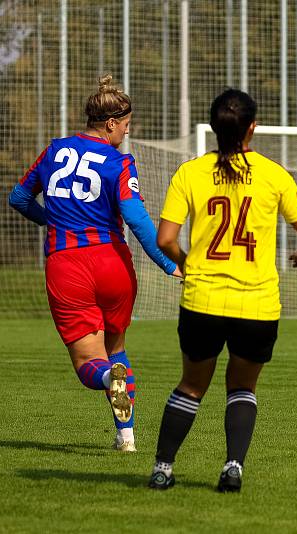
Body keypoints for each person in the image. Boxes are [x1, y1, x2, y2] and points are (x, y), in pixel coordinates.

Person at [148, 88, 297, 492]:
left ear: (214, 128)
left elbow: (165, 239)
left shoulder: (189, 173)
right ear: (252, 128)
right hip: (257, 304)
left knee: (191, 386)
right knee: (242, 386)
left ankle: (162, 469)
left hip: (202, 299)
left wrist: (190, 262)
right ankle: (232, 469)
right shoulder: (273, 174)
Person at [7, 74, 180, 453]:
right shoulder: (119, 163)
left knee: (93, 366)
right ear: (112, 124)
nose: (127, 135)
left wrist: (49, 220)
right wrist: (168, 262)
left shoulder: (54, 151)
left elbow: (18, 198)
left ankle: (107, 381)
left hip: (68, 265)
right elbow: (134, 218)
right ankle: (127, 437)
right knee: (116, 349)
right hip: (113, 265)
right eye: (127, 127)